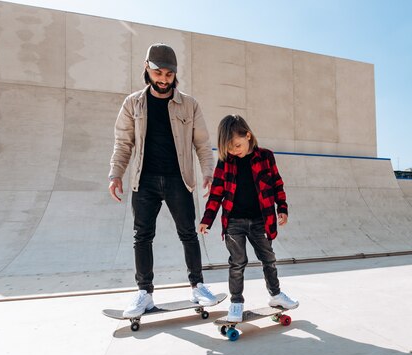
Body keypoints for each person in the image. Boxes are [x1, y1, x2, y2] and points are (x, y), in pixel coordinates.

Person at [109, 43, 218, 318]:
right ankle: (144, 293)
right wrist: (115, 174)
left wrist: (208, 172)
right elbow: (123, 143)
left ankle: (198, 286)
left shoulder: (189, 105)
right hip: (143, 181)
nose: (163, 80)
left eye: (169, 75)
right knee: (142, 236)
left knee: (188, 233)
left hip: (178, 179)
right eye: (158, 73)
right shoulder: (133, 103)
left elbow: (203, 144)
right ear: (147, 69)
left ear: (175, 75)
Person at [199, 115, 299, 322]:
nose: (235, 151)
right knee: (237, 262)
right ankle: (236, 303)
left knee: (269, 259)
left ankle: (276, 295)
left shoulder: (266, 157)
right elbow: (216, 193)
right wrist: (207, 219)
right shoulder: (225, 162)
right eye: (230, 148)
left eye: (237, 145)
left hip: (261, 220)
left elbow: (277, 184)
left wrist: (282, 207)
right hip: (234, 223)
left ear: (248, 136)